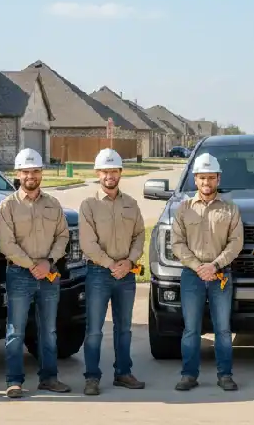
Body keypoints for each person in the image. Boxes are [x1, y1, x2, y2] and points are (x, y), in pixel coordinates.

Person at [0, 148, 71, 398]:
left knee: (49, 330)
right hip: (19, 274)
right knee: (16, 330)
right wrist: (32, 265)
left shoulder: (53, 204)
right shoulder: (8, 206)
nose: (31, 176)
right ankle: (14, 381)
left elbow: (63, 236)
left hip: (49, 275)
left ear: (42, 173)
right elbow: (7, 244)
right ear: (18, 174)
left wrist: (48, 262)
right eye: (26, 171)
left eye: (36, 171)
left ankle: (49, 378)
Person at [170, 152, 244, 391]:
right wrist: (197, 266)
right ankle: (188, 375)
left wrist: (215, 265)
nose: (206, 182)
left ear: (218, 179)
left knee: (222, 329)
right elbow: (177, 243)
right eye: (202, 177)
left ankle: (225, 375)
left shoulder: (230, 209)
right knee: (191, 329)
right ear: (195, 179)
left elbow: (236, 242)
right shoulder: (183, 209)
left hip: (221, 275)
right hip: (192, 275)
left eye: (211, 177)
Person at [78, 148, 147, 396]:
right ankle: (92, 377)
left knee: (124, 328)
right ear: (98, 173)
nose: (110, 176)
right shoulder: (89, 205)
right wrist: (111, 264)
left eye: (114, 171)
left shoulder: (131, 204)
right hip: (98, 273)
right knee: (94, 329)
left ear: (120, 173)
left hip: (126, 274)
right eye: (105, 171)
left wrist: (129, 262)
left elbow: (140, 235)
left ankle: (123, 373)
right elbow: (88, 243)